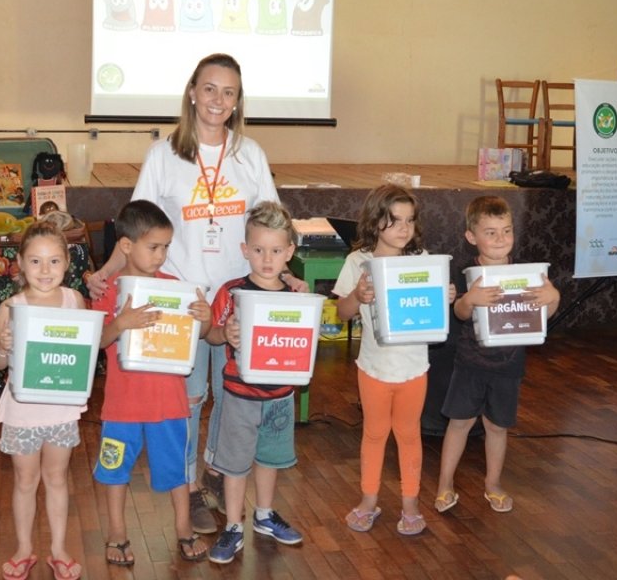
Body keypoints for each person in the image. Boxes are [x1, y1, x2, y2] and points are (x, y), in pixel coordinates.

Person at [86, 52, 297, 534]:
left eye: (228, 92)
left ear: (239, 100)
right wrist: (108, 269)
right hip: (176, 299)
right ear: (191, 92)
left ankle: (216, 475)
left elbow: (271, 224)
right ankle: (190, 491)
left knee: (233, 397)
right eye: (209, 88)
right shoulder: (164, 154)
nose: (217, 100)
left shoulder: (250, 154)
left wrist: (286, 277)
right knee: (187, 401)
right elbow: (138, 225)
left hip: (237, 297)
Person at [92, 200, 213, 566]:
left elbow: (200, 333)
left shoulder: (177, 288)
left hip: (168, 402)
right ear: (127, 246)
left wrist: (204, 319)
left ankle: (183, 528)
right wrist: (120, 323)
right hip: (122, 405)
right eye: (154, 247)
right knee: (115, 470)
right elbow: (97, 341)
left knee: (177, 470)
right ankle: (116, 532)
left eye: (165, 247)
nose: (161, 256)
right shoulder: (108, 293)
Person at [333, 184, 455, 537]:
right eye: (395, 220)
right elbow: (341, 311)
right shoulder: (358, 262)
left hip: (414, 368)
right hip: (373, 368)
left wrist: (445, 296)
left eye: (410, 220)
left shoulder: (423, 260)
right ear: (375, 222)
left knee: (408, 434)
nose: (404, 228)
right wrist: (358, 295)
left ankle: (411, 503)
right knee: (374, 434)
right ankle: (369, 501)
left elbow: (434, 311)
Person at [434, 195, 560, 515]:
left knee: (497, 427)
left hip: (509, 365)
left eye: (506, 230)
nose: (500, 239)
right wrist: (471, 299)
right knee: (459, 424)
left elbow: (546, 312)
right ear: (471, 237)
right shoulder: (469, 276)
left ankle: (493, 483)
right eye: (490, 232)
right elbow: (460, 313)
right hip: (470, 365)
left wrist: (553, 296)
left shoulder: (528, 275)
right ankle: (445, 483)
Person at [203, 201, 305, 564]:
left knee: (270, 459)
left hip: (279, 395)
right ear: (245, 250)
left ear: (289, 252)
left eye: (276, 251)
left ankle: (264, 514)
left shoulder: (297, 297)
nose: (267, 258)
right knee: (234, 463)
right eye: (258, 250)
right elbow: (211, 336)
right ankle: (233, 525)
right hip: (239, 394)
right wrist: (224, 333)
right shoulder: (231, 293)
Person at [0, 221, 87, 580]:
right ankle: (24, 549)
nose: (45, 271)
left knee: (57, 478)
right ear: (19, 263)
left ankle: (59, 550)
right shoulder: (10, 307)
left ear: (66, 263)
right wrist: (2, 346)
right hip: (23, 410)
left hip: (61, 408)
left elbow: (85, 352)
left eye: (53, 261)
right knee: (25, 481)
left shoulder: (75, 300)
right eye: (35, 262)